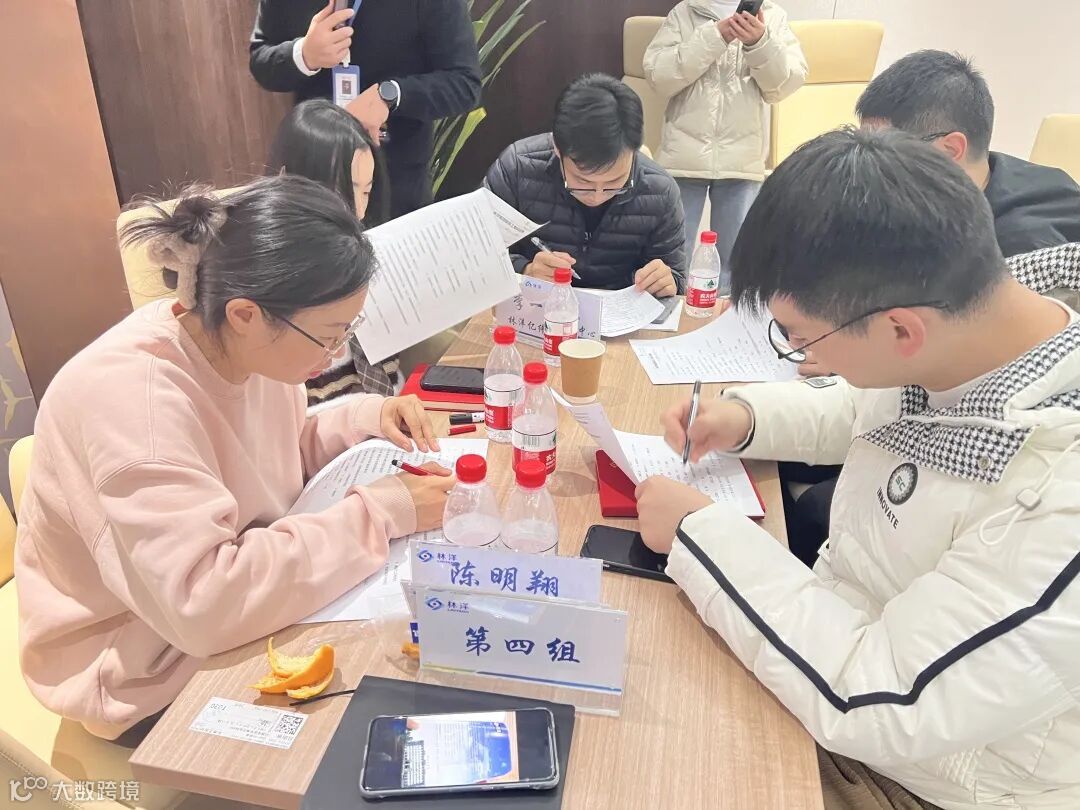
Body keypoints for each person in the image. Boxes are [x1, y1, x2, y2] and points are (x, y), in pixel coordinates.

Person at [636, 129, 1080, 809]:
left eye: (799, 337)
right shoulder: (977, 325)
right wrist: (746, 417)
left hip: (925, 776)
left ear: (901, 330)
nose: (798, 353)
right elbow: (868, 408)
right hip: (841, 659)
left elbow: (878, 695)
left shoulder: (1057, 497)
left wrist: (700, 534)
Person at [15, 175, 456, 741]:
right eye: (328, 335)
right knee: (370, 716)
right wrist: (383, 512)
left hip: (223, 615)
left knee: (406, 658)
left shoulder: (234, 342)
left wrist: (366, 418)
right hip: (143, 672)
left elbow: (273, 453)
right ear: (246, 313)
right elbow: (204, 604)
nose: (336, 352)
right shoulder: (135, 403)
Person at [790, 50, 1080, 559]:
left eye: (885, 154)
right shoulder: (981, 180)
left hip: (980, 452)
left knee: (814, 506)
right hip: (915, 398)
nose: (871, 174)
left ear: (950, 149)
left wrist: (850, 345)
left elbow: (953, 388)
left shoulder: (1017, 254)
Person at [250, 0, 482, 217]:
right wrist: (303, 55)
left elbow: (464, 82)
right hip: (309, 174)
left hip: (394, 177)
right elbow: (261, 59)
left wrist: (391, 95)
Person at [857, 50, 1080, 260]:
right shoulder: (989, 171)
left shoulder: (1012, 253)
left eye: (879, 150)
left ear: (950, 150)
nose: (865, 166)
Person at [485, 73, 686, 295]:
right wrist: (526, 270)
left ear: (634, 152)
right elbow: (478, 259)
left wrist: (667, 281)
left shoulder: (660, 191)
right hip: (539, 305)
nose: (597, 196)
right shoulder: (517, 169)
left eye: (614, 183)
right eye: (582, 182)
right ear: (557, 148)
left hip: (618, 310)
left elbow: (676, 278)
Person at [643, 0, 806, 266]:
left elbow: (783, 85)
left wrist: (759, 44)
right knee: (671, 258)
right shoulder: (686, 11)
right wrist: (715, 37)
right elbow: (658, 76)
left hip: (742, 160)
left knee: (735, 263)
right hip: (684, 156)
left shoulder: (773, 16)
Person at [268, 98, 398, 401]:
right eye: (344, 192)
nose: (358, 212)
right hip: (324, 422)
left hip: (392, 410)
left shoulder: (364, 251)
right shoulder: (271, 279)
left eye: (366, 191)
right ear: (289, 182)